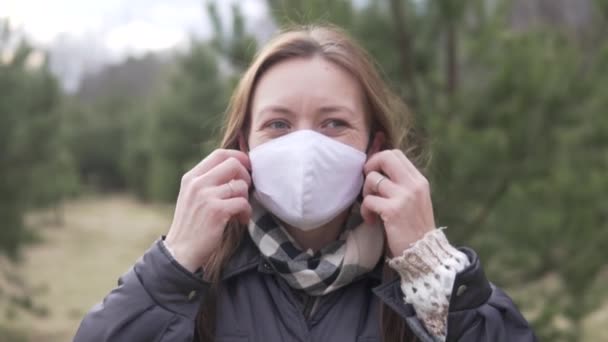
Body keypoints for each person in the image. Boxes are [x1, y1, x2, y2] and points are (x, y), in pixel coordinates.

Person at [74, 25, 536, 342]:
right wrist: (173, 265)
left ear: (373, 147)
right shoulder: (200, 278)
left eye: (333, 123)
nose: (305, 148)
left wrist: (433, 269)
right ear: (243, 144)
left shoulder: (418, 283)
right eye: (278, 124)